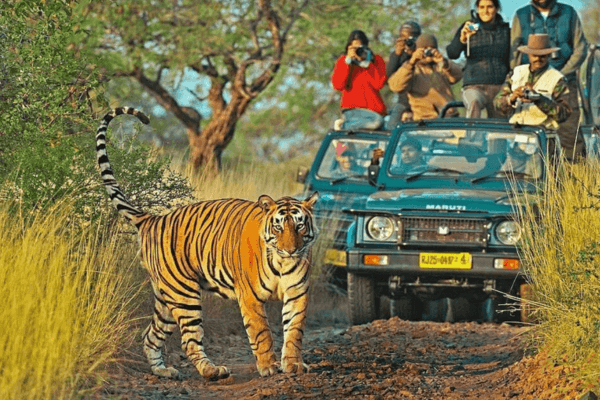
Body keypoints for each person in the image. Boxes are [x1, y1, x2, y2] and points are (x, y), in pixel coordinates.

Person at [510, 0, 588, 161]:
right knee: (527, 136)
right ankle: (527, 179)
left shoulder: (569, 12)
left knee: (570, 134)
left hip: (565, 81)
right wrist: (520, 80)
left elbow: (580, 48)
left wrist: (559, 76)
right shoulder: (521, 14)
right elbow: (514, 51)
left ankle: (572, 181)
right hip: (532, 82)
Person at [494, 34, 572, 139]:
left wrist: (539, 99)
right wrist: (512, 98)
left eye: (542, 56)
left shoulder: (558, 79)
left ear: (548, 55)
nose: (538, 59)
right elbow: (497, 104)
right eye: (534, 55)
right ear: (528, 55)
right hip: (516, 135)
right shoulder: (516, 73)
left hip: (543, 137)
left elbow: (564, 114)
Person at [446, 0, 510, 118]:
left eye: (489, 7)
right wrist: (463, 39)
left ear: (496, 8)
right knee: (473, 102)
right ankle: (470, 136)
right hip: (474, 85)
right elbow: (452, 53)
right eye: (481, 7)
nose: (485, 11)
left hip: (499, 87)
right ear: (477, 9)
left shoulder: (506, 30)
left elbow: (511, 59)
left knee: (499, 125)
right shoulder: (468, 27)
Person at [388, 33, 463, 121]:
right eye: (424, 49)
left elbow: (458, 75)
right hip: (425, 121)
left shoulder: (441, 66)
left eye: (431, 48)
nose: (427, 52)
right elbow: (395, 86)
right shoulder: (412, 69)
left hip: (449, 118)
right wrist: (412, 62)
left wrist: (444, 63)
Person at [331, 30, 387, 130]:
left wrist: (367, 63)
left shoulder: (376, 60)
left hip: (376, 111)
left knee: (388, 127)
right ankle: (342, 129)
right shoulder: (343, 62)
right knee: (376, 122)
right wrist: (347, 62)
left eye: (359, 48)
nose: (357, 51)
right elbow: (338, 85)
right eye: (354, 48)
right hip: (353, 110)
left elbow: (378, 84)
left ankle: (344, 138)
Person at [386, 21, 422, 125]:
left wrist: (415, 54)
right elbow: (389, 78)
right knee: (391, 128)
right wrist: (397, 54)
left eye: (412, 37)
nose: (409, 42)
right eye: (405, 38)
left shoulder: (423, 54)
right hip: (403, 103)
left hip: (422, 102)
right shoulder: (399, 55)